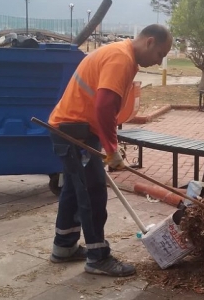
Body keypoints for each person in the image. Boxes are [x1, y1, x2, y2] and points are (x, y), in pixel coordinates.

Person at [46, 24, 173, 277]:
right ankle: (98, 257)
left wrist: (108, 145)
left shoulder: (121, 54)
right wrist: (112, 149)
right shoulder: (121, 59)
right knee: (93, 195)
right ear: (149, 42)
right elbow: (104, 107)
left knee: (74, 190)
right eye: (160, 54)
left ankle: (64, 247)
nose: (159, 62)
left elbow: (105, 108)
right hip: (75, 133)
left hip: (72, 129)